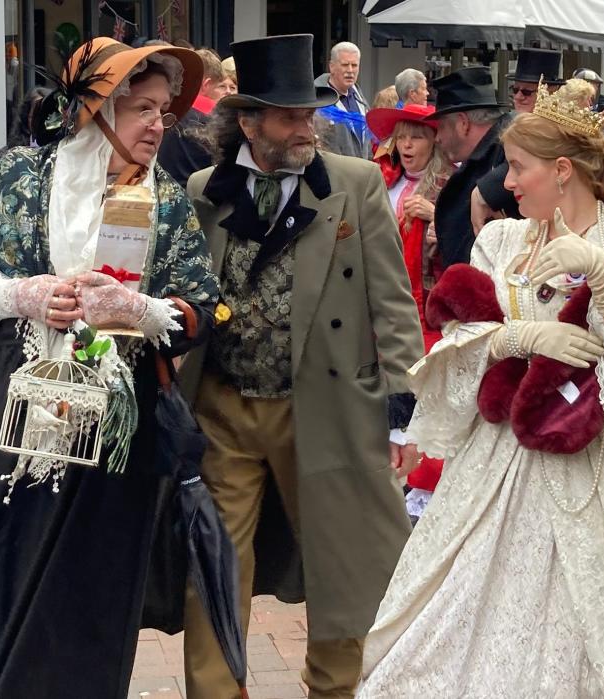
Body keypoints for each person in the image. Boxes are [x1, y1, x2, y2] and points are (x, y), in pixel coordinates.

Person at [358, 80, 604, 698]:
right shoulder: (501, 240)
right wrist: (520, 339)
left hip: (598, 450)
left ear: (563, 170)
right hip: (503, 453)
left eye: (520, 168)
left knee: (600, 619)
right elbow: (466, 334)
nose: (509, 183)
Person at [0, 38, 217, 698]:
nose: (159, 125)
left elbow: (202, 307)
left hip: (111, 447)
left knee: (84, 602)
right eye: (142, 109)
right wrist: (26, 294)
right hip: (7, 427)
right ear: (95, 112)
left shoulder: (167, 200)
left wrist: (141, 308)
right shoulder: (20, 178)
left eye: (165, 111)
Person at [180, 33, 423, 699]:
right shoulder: (205, 191)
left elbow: (394, 304)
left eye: (308, 113)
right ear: (248, 122)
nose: (304, 127)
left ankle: (333, 690)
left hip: (326, 406)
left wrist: (402, 410)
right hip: (224, 410)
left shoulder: (354, 182)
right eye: (288, 116)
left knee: (343, 564)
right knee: (214, 566)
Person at [367, 102, 454, 514]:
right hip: (382, 307)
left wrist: (436, 219)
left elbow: (468, 247)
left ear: (434, 140)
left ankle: (425, 491)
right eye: (401, 136)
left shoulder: (450, 187)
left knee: (423, 400)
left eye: (416, 136)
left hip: (429, 313)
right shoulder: (383, 183)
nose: (406, 145)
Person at [468, 48, 566, 232]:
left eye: (527, 92)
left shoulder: (558, 131)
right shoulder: (508, 122)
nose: (519, 96)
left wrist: (485, 191)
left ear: (551, 92)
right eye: (515, 89)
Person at [430, 66, 509, 268]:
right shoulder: (484, 156)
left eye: (441, 127)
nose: (437, 138)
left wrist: (486, 190)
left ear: (463, 123)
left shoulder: (508, 147)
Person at [157, 47, 228, 187]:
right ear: (206, 84)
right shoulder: (213, 116)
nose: (226, 92)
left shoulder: (162, 110)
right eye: (220, 87)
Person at [314, 41, 371, 158]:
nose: (350, 70)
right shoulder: (318, 101)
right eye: (345, 65)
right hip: (335, 173)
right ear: (332, 67)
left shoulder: (359, 98)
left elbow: (367, 141)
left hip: (361, 172)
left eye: (354, 65)